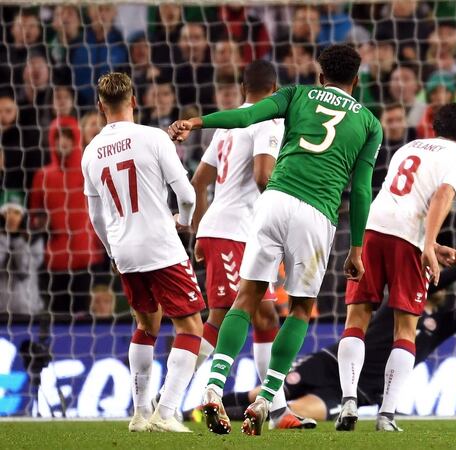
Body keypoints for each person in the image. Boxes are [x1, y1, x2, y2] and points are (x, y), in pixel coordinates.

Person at [168, 44, 382, 436]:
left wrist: (197, 122)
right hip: (317, 213)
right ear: (357, 81)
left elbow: (248, 115)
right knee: (299, 310)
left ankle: (213, 388)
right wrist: (357, 248)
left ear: (320, 76)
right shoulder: (369, 124)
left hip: (273, 201)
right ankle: (267, 398)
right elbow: (363, 189)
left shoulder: (296, 94)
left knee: (245, 299)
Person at [202, 235, 456, 423]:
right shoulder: (402, 305)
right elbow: (434, 283)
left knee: (299, 415)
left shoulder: (439, 326)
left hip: (360, 393)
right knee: (263, 395)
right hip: (331, 363)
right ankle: (201, 412)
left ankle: (236, 421)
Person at [336, 103, 456, 432]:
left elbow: (405, 198)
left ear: (433, 127)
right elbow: (443, 195)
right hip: (408, 242)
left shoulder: (409, 147)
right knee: (405, 327)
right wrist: (429, 244)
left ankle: (348, 400)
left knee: (357, 317)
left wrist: (431, 243)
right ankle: (386, 415)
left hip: (372, 229)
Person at [190, 61, 312, 430]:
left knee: (265, 317)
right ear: (275, 90)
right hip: (237, 231)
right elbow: (263, 176)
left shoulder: (229, 123)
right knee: (223, 313)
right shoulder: (268, 120)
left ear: (243, 87)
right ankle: (170, 395)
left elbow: (198, 182)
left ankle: (276, 411)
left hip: (226, 230)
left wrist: (199, 230)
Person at [82, 72, 204, 433]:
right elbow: (186, 193)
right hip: (161, 246)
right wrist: (183, 221)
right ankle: (166, 412)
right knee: (191, 327)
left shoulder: (91, 152)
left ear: (101, 106)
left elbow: (95, 214)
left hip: (124, 250)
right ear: (134, 101)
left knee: (145, 325)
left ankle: (139, 414)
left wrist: (112, 250)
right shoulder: (153, 137)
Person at [30, 117, 103, 314]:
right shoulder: (43, 176)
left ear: (75, 139)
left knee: (85, 317)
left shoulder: (87, 168)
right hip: (56, 259)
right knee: (58, 317)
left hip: (86, 256)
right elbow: (33, 215)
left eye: (67, 137)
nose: (62, 142)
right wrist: (40, 223)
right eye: (58, 137)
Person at [0, 191, 44, 315]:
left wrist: (17, 238)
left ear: (24, 217)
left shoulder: (34, 240)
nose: (12, 217)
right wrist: (4, 238)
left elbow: (24, 271)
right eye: (7, 212)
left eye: (16, 213)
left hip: (27, 310)